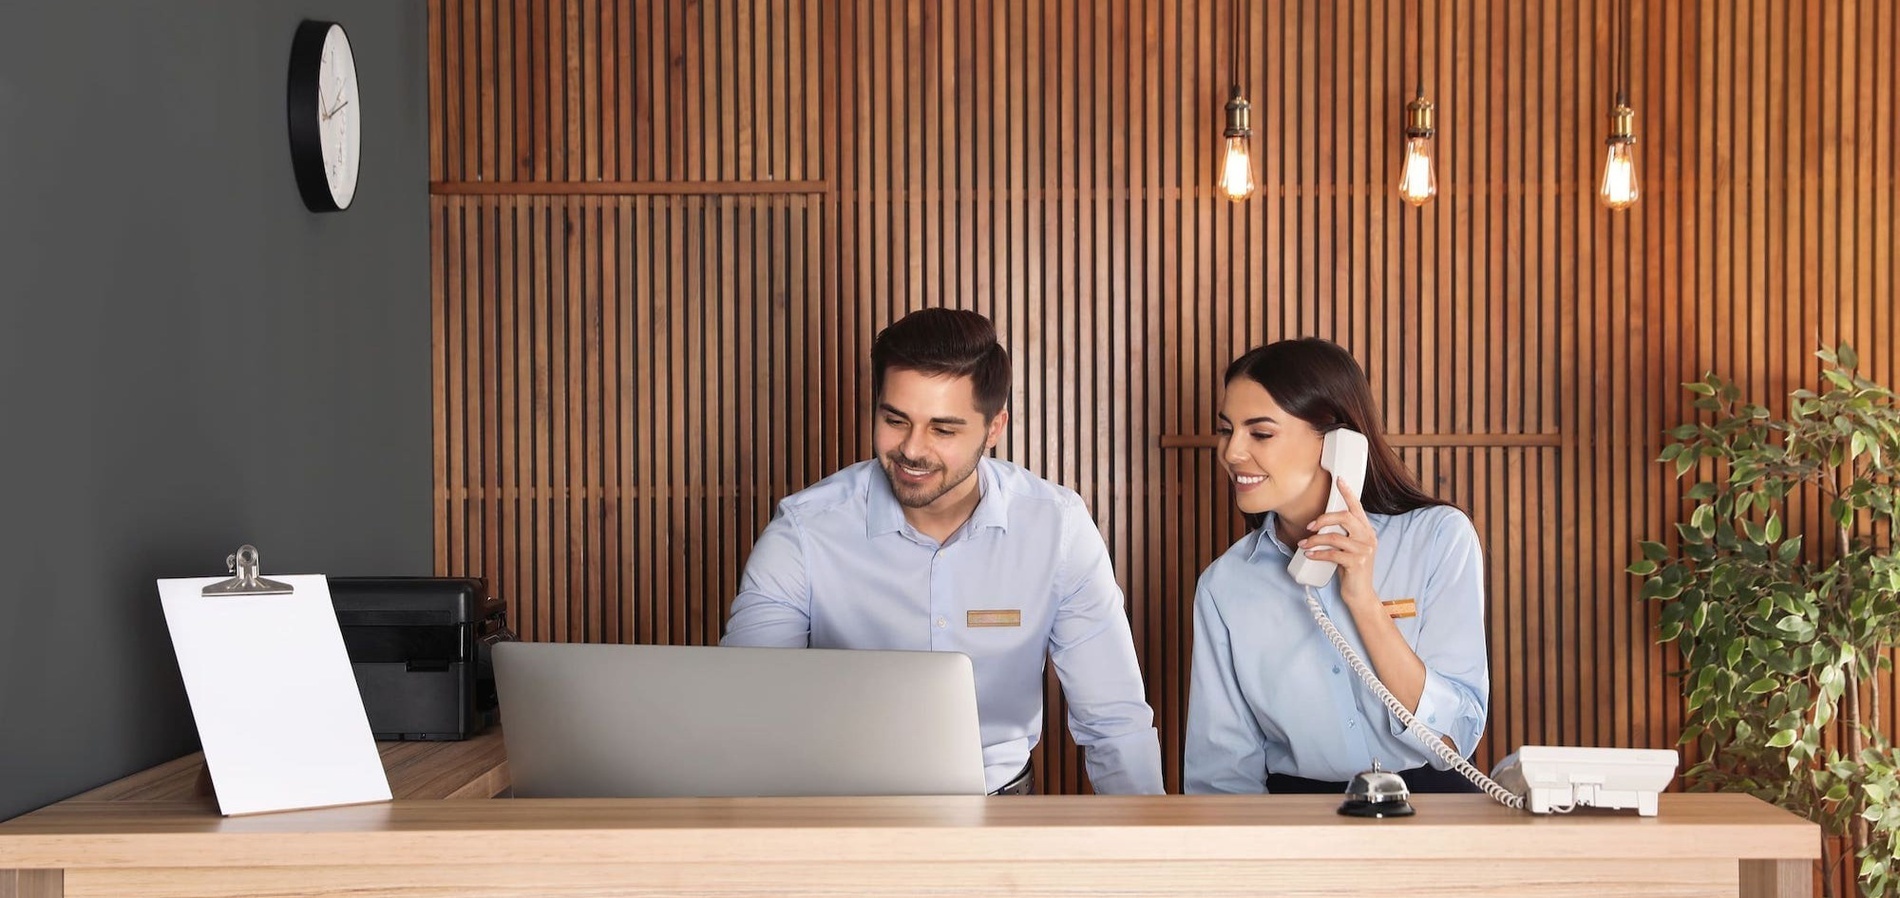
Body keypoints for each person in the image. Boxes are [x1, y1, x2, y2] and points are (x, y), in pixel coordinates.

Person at [723, 308, 1163, 795]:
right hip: (840, 807)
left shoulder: (1057, 528)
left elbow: (1114, 721)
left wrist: (1148, 837)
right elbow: (745, 707)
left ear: (994, 428)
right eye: (895, 420)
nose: (912, 449)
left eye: (943, 429)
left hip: (1003, 807)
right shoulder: (805, 530)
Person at [1184, 338, 1489, 795]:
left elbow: (1453, 738)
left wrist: (1362, 601)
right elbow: (1221, 776)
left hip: (1430, 803)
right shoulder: (1224, 585)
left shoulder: (1438, 538)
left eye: (1260, 433)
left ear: (1338, 444)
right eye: (1227, 430)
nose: (1231, 453)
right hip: (1291, 816)